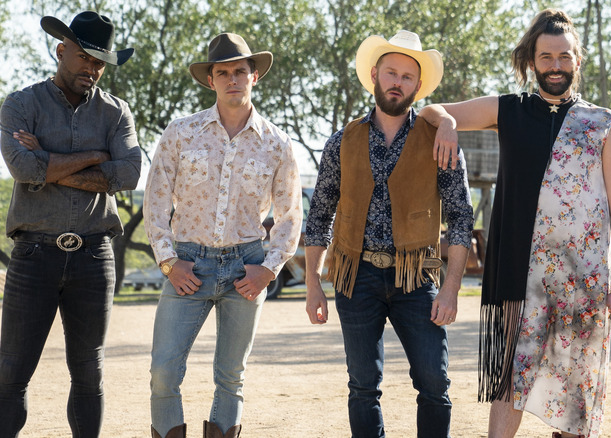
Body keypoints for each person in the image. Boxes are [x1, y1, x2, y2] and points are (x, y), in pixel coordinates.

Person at [418, 9, 611, 438]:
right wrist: (445, 122)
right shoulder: (509, 110)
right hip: (521, 269)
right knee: (510, 380)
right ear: (531, 61)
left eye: (564, 56)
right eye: (546, 57)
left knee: (579, 387)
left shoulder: (603, 122)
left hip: (585, 274)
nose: (556, 65)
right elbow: (433, 108)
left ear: (577, 60)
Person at [304, 30, 474, 437]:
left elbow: (461, 219)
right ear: (375, 75)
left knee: (434, 383)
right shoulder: (340, 141)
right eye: (391, 73)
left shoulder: (441, 140)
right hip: (355, 275)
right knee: (363, 387)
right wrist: (312, 282)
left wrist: (450, 288)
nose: (398, 82)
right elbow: (319, 215)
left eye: (407, 77)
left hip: (417, 277)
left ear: (417, 86)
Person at [143, 33, 302, 438]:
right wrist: (167, 259)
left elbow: (289, 215)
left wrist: (268, 269)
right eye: (223, 72)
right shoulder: (181, 133)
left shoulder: (278, 144)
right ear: (211, 80)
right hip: (188, 265)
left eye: (240, 71)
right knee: (163, 370)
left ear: (254, 78)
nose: (233, 78)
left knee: (231, 376)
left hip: (245, 267)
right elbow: (156, 200)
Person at [0, 11, 140, 438]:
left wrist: (49, 162)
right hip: (33, 256)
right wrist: (97, 156)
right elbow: (23, 169)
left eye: (100, 62)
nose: (93, 69)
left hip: (94, 257)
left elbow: (129, 175)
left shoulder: (116, 113)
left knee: (88, 375)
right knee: (11, 373)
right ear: (62, 51)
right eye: (85, 57)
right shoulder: (22, 104)